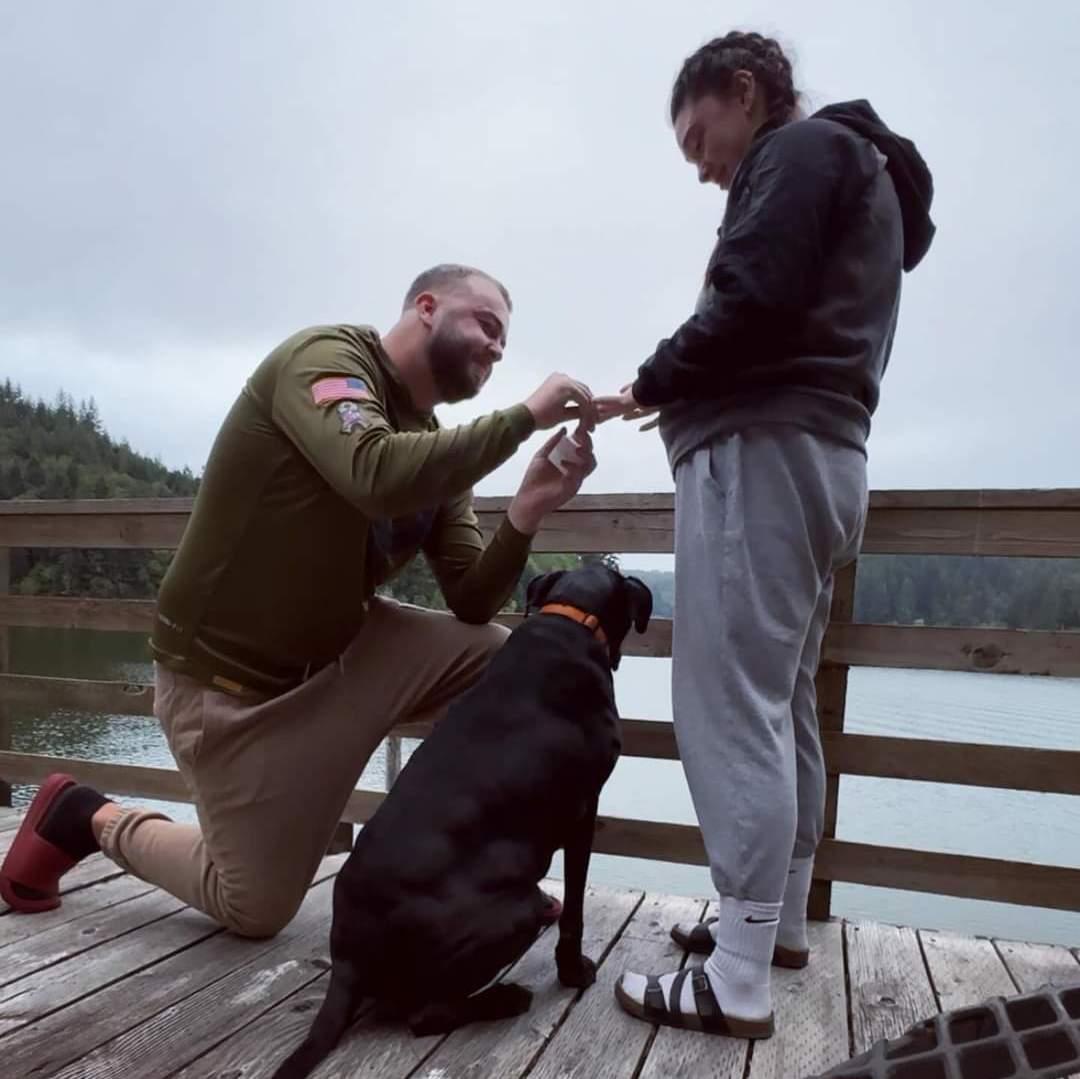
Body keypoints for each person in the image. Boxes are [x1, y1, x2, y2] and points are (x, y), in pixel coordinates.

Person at [0, 264, 598, 938]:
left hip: (340, 657)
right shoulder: (327, 361)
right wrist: (524, 417)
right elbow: (372, 471)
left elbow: (470, 598)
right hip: (225, 691)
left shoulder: (434, 449)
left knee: (503, 659)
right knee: (253, 906)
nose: (496, 347)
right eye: (486, 324)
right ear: (426, 307)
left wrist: (526, 509)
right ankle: (88, 814)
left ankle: (470, 868)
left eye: (504, 341)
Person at [598, 31, 935, 1037]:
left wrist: (648, 384)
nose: (701, 164)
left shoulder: (795, 154)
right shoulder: (860, 173)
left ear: (746, 93)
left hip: (763, 458)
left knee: (728, 705)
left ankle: (734, 980)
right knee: (782, 699)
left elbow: (752, 299)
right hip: (830, 458)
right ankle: (776, 925)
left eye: (702, 135)